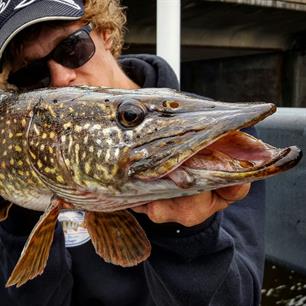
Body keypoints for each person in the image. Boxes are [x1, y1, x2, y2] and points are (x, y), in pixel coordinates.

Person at [0, 0, 265, 305]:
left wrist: (190, 234)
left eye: (72, 49)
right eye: (31, 73)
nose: (61, 78)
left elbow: (241, 298)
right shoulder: (18, 151)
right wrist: (19, 222)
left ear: (105, 33)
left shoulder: (218, 140)